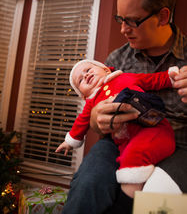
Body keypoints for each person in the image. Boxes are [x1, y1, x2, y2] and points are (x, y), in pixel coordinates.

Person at [62, 0, 187, 214]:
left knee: (160, 205)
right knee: (86, 187)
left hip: (181, 146)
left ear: (163, 16)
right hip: (120, 141)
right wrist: (96, 119)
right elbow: (94, 119)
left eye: (132, 21)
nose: (123, 29)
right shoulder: (117, 59)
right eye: (119, 19)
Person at [56, 59, 178, 196]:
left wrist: (170, 76)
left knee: (132, 162)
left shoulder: (125, 77)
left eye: (88, 70)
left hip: (153, 129)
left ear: (106, 70)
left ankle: (128, 198)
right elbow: (80, 122)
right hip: (125, 142)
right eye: (80, 81)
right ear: (83, 95)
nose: (85, 75)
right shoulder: (92, 103)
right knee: (125, 160)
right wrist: (69, 142)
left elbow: (151, 80)